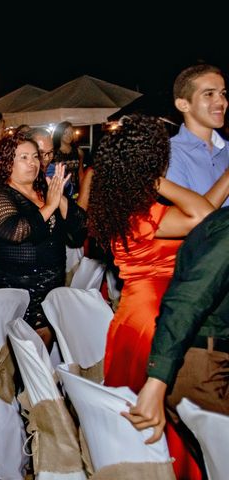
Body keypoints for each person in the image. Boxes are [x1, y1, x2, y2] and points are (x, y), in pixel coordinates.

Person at [87, 114, 227, 479]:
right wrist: (157, 179)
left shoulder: (122, 205)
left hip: (130, 313)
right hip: (156, 314)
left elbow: (201, 212)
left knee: (138, 412)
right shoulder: (144, 210)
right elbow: (205, 216)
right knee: (162, 419)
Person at [122, 206, 229, 473]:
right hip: (203, 368)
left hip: (199, 358)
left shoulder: (219, 221)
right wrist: (157, 381)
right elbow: (187, 301)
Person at [0, 132, 86, 349]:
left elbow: (80, 231)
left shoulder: (45, 191)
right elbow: (16, 231)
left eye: (35, 157)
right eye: (24, 158)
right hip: (14, 291)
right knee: (21, 359)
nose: (33, 163)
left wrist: (61, 200)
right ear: (8, 162)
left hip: (49, 290)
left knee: (41, 355)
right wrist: (50, 206)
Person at [167, 63, 229, 207]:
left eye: (223, 93)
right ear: (183, 105)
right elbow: (193, 219)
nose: (221, 101)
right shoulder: (169, 154)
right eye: (209, 94)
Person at [52, 121, 84, 198]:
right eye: (65, 133)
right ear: (59, 134)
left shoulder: (79, 152)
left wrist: (83, 191)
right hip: (58, 192)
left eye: (71, 132)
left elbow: (80, 173)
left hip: (75, 191)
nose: (69, 135)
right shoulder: (53, 153)